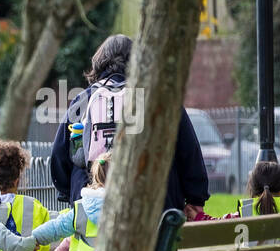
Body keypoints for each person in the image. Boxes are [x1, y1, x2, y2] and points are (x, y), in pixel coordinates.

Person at [49, 33, 209, 216]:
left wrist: (70, 193)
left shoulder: (84, 99)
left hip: (92, 206)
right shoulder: (160, 97)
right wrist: (196, 198)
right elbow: (188, 150)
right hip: (157, 205)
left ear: (99, 63)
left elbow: (59, 157)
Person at [30, 153, 112, 251]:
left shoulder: (81, 208)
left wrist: (35, 238)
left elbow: (57, 228)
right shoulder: (126, 211)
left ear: (95, 176)